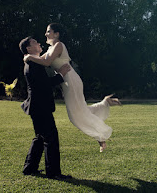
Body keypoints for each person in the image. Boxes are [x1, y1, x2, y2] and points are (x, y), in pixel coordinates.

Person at [23, 23, 121, 152]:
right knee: (79, 111)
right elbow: (41, 60)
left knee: (76, 114)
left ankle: (100, 136)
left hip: (70, 79)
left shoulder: (58, 45)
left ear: (56, 34)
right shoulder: (51, 48)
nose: (46, 34)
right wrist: (29, 57)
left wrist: (28, 56)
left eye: (48, 31)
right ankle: (105, 105)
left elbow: (46, 62)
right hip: (66, 81)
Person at [19, 36, 72, 180]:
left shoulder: (33, 61)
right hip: (40, 106)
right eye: (35, 42)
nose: (38, 43)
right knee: (51, 138)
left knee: (40, 138)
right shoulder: (33, 64)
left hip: (37, 106)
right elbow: (45, 85)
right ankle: (53, 172)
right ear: (29, 48)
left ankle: (29, 167)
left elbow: (46, 62)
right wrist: (61, 74)